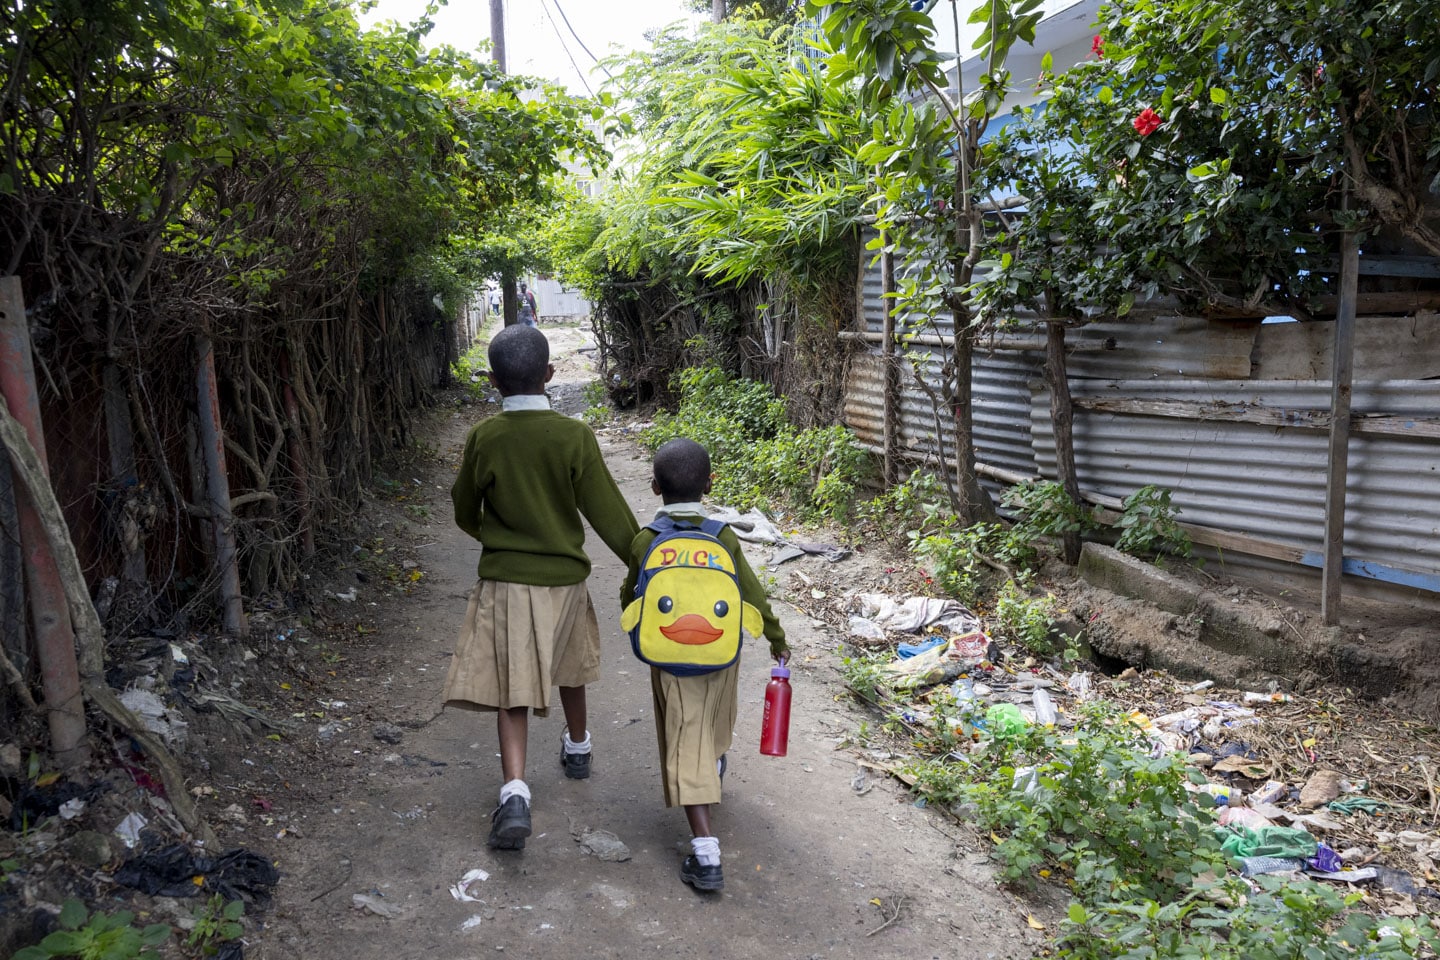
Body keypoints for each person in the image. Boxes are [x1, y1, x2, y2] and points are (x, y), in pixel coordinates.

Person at [444, 325, 639, 850]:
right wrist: (646, 564)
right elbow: (611, 517)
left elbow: (464, 509)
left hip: (507, 583)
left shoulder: (485, 438)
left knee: (514, 688)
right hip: (565, 582)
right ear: (550, 375)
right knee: (571, 665)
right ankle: (578, 746)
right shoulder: (574, 438)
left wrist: (497, 540)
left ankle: (514, 794)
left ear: (492, 381)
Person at [619, 438, 788, 892]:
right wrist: (776, 638)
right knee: (712, 721)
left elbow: (629, 597)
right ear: (710, 483)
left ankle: (706, 853)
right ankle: (710, 767)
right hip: (720, 654)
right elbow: (751, 594)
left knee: (684, 736)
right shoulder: (723, 536)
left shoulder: (645, 540)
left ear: (655, 487)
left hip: (670, 659)